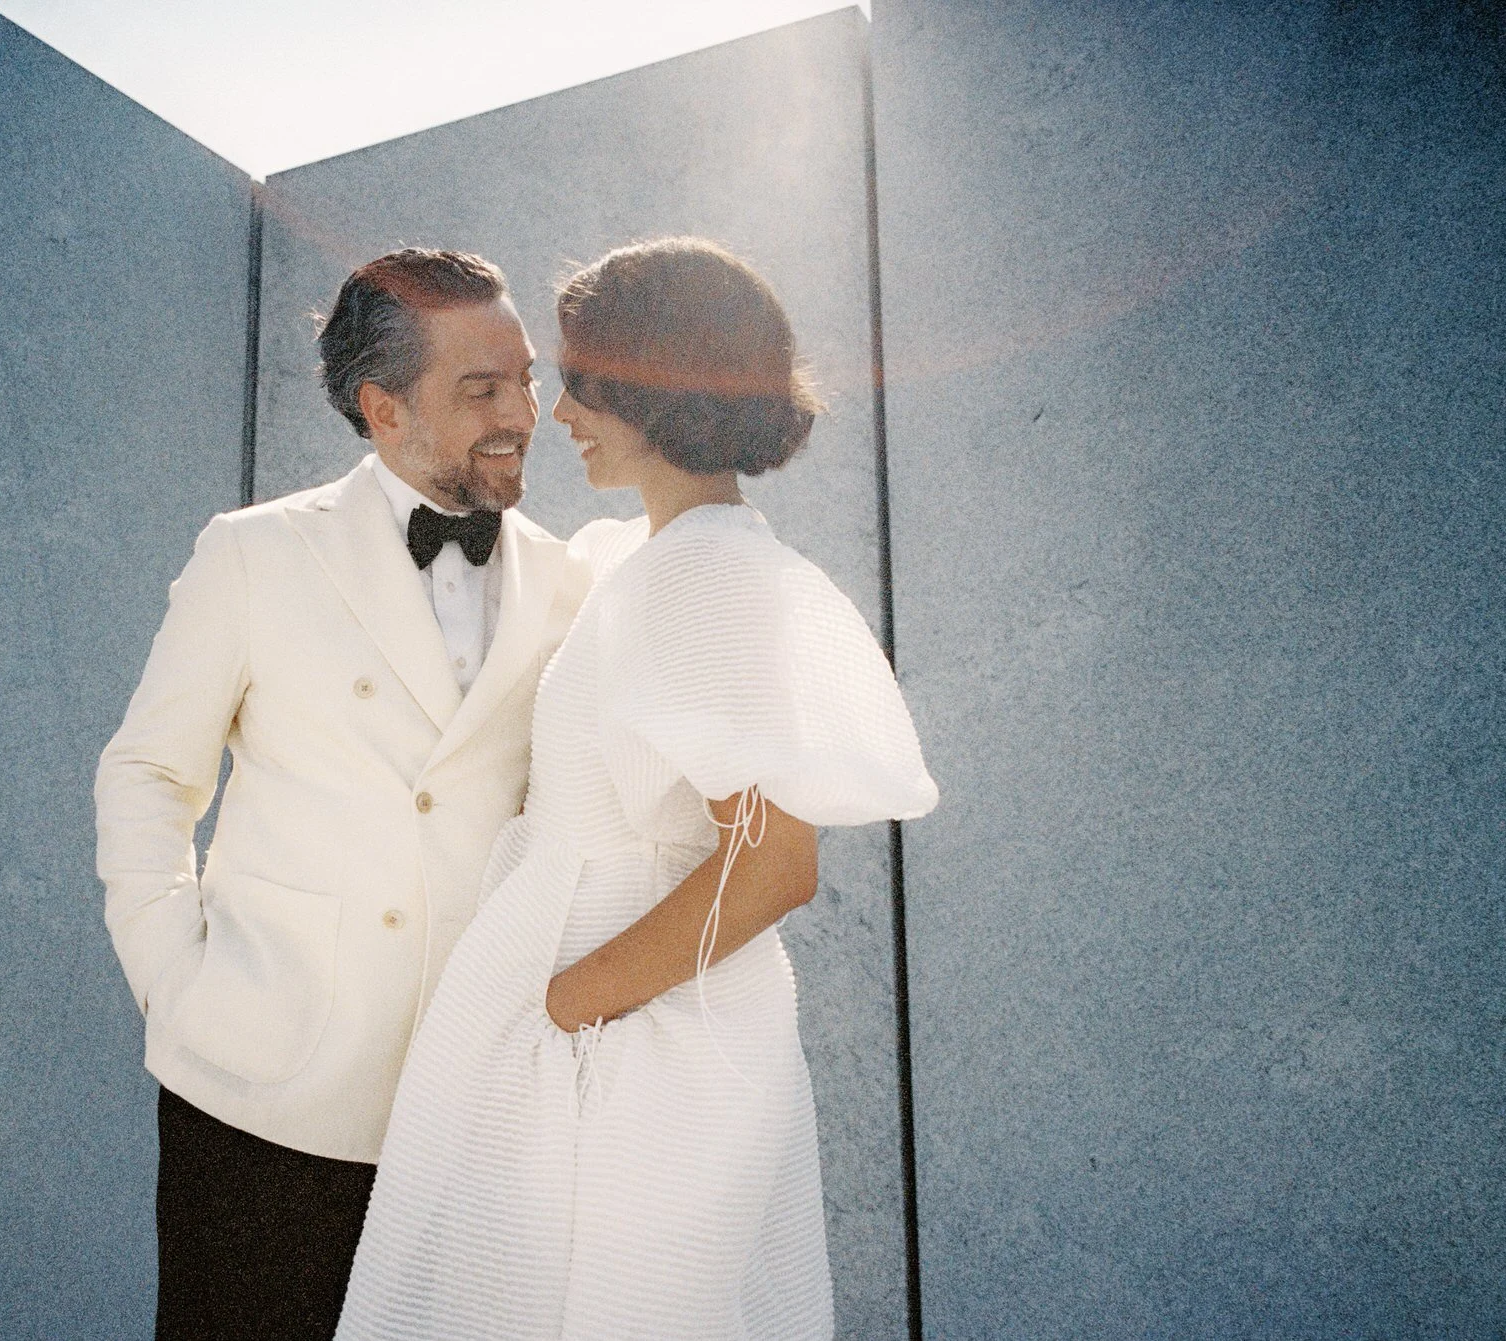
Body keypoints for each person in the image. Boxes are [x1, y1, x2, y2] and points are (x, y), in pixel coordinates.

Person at [336, 238, 940, 1341]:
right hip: (591, 1042)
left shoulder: (709, 578)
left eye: (584, 381)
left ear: (658, 384)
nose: (554, 412)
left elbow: (772, 865)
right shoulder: (645, 562)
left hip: (629, 1058)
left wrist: (566, 1008)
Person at [94, 247, 592, 1341]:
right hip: (262, 1094)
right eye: (482, 389)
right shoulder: (253, 555)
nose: (524, 411)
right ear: (382, 409)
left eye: (525, 378)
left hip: (470, 1113)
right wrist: (174, 984)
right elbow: (148, 776)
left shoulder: (571, 581)